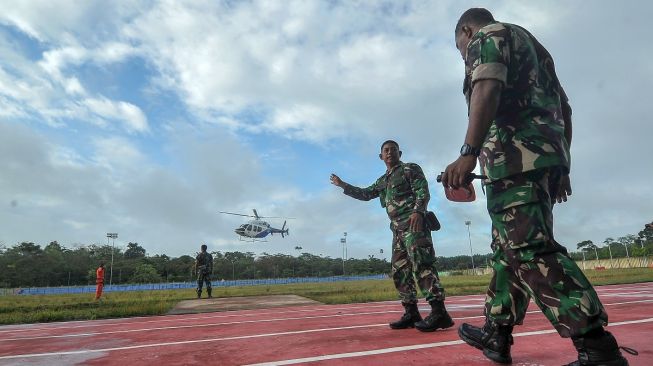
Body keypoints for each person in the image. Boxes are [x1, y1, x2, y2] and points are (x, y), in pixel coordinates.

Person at [442, 8, 633, 365]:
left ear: (467, 31)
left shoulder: (488, 36)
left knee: (530, 251)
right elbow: (565, 109)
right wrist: (562, 164)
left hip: (513, 161)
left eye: (460, 48)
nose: (464, 55)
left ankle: (597, 346)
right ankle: (496, 333)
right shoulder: (534, 48)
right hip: (540, 159)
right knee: (506, 252)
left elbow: (487, 85)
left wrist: (467, 153)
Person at [331, 140, 453, 332]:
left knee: (422, 265)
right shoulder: (383, 180)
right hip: (397, 231)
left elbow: (423, 191)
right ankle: (411, 313)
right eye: (386, 151)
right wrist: (343, 185)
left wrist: (418, 212)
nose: (389, 153)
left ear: (400, 153)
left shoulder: (409, 169)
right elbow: (365, 194)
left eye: (393, 150)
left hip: (414, 225)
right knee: (399, 271)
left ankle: (439, 312)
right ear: (381, 157)